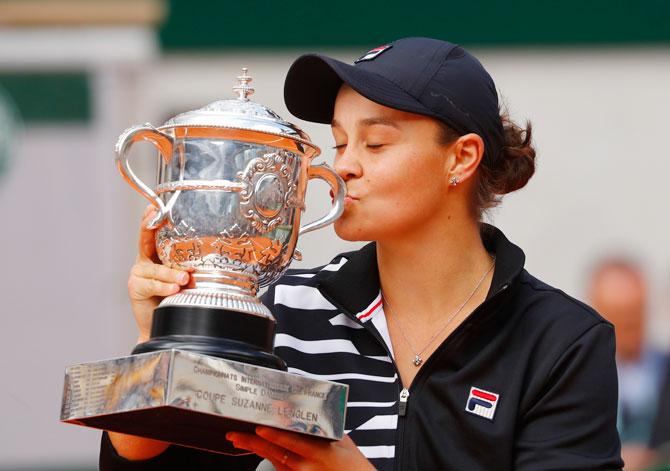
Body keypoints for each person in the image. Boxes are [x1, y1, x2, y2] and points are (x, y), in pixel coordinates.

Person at [100, 37, 623, 470]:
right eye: (339, 144)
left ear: (461, 158)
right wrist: (160, 344)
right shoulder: (278, 311)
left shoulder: (561, 342)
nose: (344, 167)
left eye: (374, 145)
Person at [589, 258, 668, 470]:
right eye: (618, 316)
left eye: (634, 316)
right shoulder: (575, 378)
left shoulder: (664, 370)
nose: (626, 328)